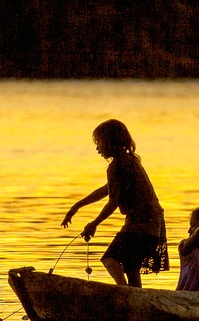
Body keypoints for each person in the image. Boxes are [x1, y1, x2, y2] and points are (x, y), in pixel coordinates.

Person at [61, 119, 168, 287]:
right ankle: (134, 299)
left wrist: (94, 224)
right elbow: (107, 189)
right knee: (131, 267)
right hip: (153, 223)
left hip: (142, 223)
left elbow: (113, 201)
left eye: (99, 143)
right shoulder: (130, 160)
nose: (97, 149)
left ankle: (123, 293)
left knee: (110, 259)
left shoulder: (119, 165)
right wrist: (77, 206)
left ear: (111, 142)